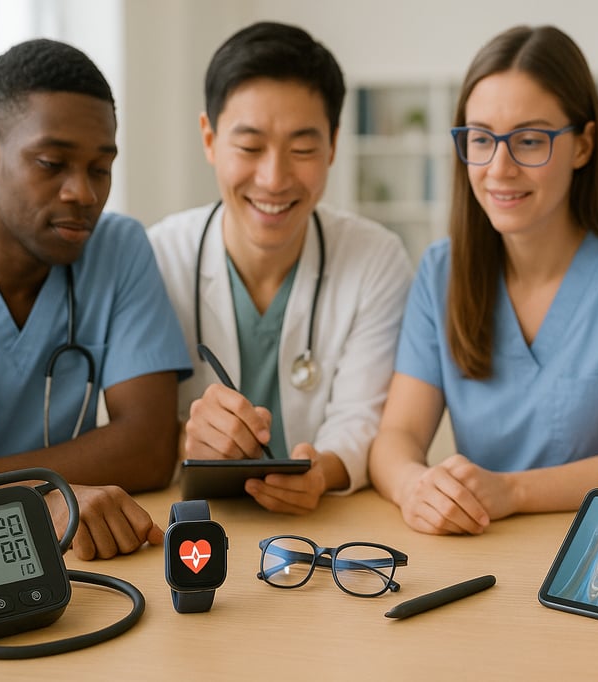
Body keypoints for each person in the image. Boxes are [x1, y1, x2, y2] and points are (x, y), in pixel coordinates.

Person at [368, 25, 598, 535]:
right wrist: (415, 486)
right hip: (476, 545)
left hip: (595, 546)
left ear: (583, 145)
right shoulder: (441, 271)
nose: (499, 168)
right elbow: (397, 436)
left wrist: (512, 492)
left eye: (529, 140)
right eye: (480, 139)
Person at [149, 22, 412, 514]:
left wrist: (322, 471)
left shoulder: (377, 259)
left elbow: (361, 420)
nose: (273, 178)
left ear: (333, 145)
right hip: (192, 523)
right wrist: (188, 437)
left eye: (303, 149)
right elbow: (139, 428)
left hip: (324, 526)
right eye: (249, 147)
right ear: (209, 138)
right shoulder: (159, 256)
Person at [0, 39, 192, 559]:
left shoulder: (118, 248)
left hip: (73, 553)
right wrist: (37, 498)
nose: (82, 193)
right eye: (52, 162)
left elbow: (150, 448)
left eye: (100, 168)